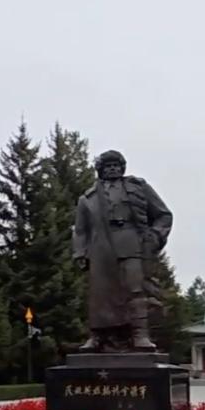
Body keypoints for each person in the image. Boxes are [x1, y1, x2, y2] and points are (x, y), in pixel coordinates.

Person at [72, 149, 173, 352]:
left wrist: (155, 236)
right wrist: (80, 253)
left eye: (116, 165)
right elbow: (80, 230)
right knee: (99, 295)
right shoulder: (88, 199)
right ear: (100, 170)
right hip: (100, 249)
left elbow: (163, 215)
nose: (112, 169)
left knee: (135, 289)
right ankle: (97, 336)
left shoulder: (138, 188)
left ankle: (140, 335)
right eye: (107, 166)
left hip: (132, 244)